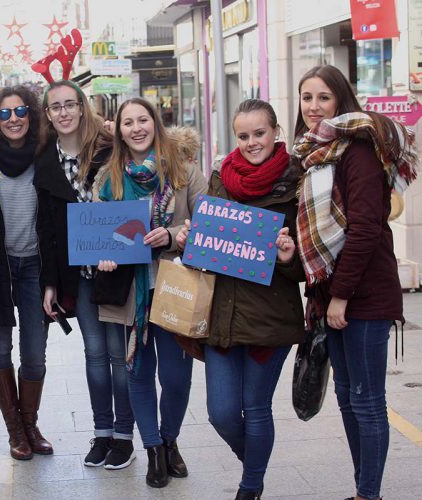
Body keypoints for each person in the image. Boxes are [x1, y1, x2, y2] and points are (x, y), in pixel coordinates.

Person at [292, 65, 417, 500]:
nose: (313, 106)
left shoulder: (357, 150)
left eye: (323, 97)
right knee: (347, 399)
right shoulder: (316, 152)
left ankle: (368, 494)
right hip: (335, 295)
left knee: (366, 402)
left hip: (364, 294)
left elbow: (365, 228)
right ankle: (366, 490)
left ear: (341, 100)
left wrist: (340, 296)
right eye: (306, 97)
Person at [177, 99, 304, 500]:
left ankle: (250, 487)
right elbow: (207, 240)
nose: (252, 143)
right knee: (222, 413)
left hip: (269, 318)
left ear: (276, 131)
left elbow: (310, 261)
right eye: (244, 136)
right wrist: (188, 240)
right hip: (222, 315)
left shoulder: (297, 180)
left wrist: (289, 257)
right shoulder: (221, 177)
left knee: (256, 407)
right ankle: (255, 461)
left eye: (260, 133)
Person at [93, 97, 206, 488]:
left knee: (176, 378)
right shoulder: (109, 179)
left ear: (156, 124)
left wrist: (175, 235)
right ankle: (154, 450)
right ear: (119, 130)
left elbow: (208, 229)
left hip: (176, 289)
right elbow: (97, 234)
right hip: (130, 296)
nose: (136, 128)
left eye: (143, 120)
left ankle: (171, 438)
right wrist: (105, 255)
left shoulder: (186, 172)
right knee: (138, 375)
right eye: (128, 122)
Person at [35, 80, 136, 469]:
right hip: (79, 274)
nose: (63, 112)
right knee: (94, 355)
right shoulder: (45, 162)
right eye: (55, 107)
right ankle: (103, 433)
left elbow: (132, 202)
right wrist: (50, 283)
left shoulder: (111, 149)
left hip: (118, 268)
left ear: (82, 107)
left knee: (118, 355)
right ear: (48, 114)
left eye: (70, 105)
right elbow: (45, 227)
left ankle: (124, 436)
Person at [0, 85, 51, 460]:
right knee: (0, 347)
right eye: (4, 113)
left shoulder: (45, 153)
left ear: (31, 115)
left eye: (20, 111)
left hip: (35, 264)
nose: (13, 119)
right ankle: (15, 430)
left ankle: (31, 424)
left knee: (35, 352)